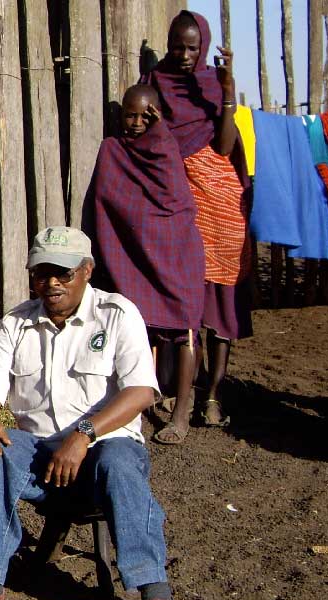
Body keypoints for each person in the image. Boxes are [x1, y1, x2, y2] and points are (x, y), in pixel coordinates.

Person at [0, 227, 178, 600]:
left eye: (63, 273)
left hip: (104, 447)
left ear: (87, 270)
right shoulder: (17, 323)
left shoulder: (117, 313)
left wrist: (84, 434)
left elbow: (142, 390)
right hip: (40, 455)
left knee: (120, 462)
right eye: (41, 273)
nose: (51, 283)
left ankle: (152, 587)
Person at [141, 10, 251, 439]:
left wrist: (227, 93)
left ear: (203, 46)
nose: (184, 55)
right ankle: (178, 394)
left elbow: (224, 147)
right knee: (188, 295)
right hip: (181, 198)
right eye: (177, 46)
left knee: (221, 302)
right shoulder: (157, 82)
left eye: (192, 47)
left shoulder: (210, 82)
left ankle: (212, 395)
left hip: (222, 199)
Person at [85, 84, 206, 445]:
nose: (136, 123)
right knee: (144, 332)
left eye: (144, 116)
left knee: (184, 332)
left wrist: (163, 135)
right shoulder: (113, 151)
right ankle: (138, 404)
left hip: (178, 257)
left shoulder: (166, 150)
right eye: (129, 115)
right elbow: (109, 201)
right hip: (135, 260)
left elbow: (176, 204)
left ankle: (182, 412)